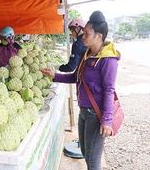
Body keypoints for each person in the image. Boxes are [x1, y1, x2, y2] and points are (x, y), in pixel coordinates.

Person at [41, 11, 121, 170]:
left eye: (87, 33)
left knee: (92, 161)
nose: (83, 36)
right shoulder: (86, 53)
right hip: (84, 112)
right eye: (83, 33)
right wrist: (54, 75)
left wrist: (106, 120)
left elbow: (108, 91)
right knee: (86, 151)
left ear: (99, 36)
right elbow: (76, 77)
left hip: (95, 114)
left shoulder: (108, 60)